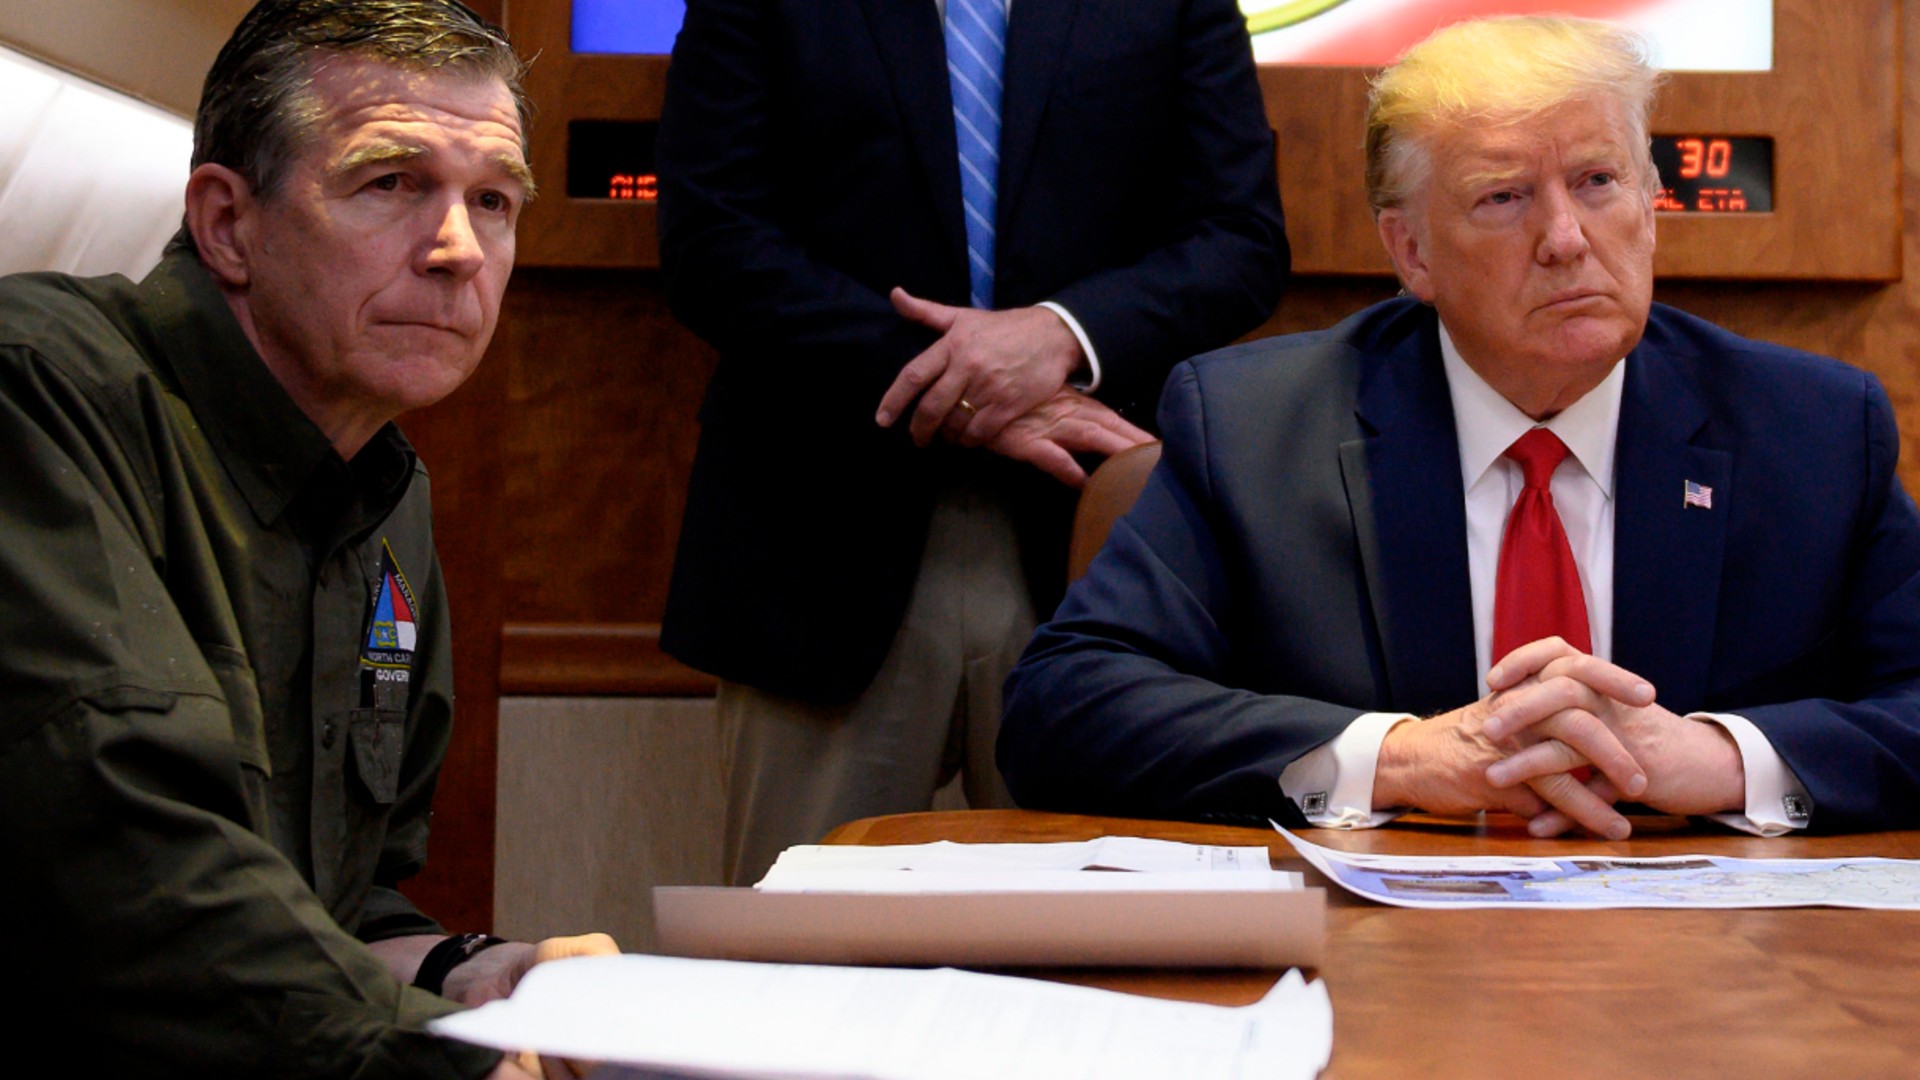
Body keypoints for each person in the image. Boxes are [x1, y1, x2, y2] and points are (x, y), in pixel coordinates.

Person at [999, 15, 1920, 839]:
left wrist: (1719, 760)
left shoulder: (1814, 432)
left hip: (1709, 983)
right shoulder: (1253, 428)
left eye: (1598, 181)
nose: (1565, 237)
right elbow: (1064, 708)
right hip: (1382, 970)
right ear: (1411, 252)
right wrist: (1404, 761)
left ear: (1650, 205)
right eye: (1504, 197)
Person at [0, 2, 615, 1075]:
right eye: (391, 185)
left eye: (493, 201)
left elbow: (340, 903)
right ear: (228, 224)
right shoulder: (36, 390)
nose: (458, 250)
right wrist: (449, 1064)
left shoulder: (389, 496)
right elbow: (130, 875)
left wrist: (466, 974)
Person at [655, 0, 1291, 883]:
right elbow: (711, 243)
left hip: (1095, 549)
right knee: (799, 964)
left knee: (1093, 968)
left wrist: (1064, 336)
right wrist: (968, 379)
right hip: (820, 542)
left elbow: (1241, 239)